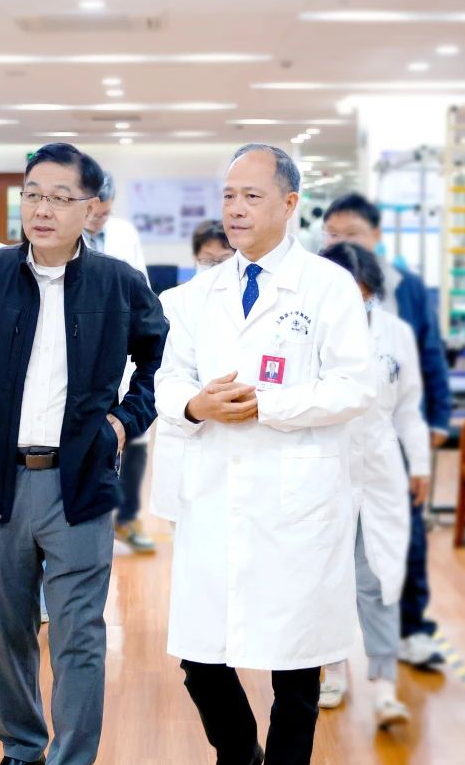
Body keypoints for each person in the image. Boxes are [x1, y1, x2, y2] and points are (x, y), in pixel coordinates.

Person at [0, 143, 166, 765]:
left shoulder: (118, 283)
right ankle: (22, 747)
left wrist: (121, 424)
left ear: (91, 209)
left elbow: (161, 362)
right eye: (32, 195)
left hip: (78, 482)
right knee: (6, 631)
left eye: (60, 197)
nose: (42, 209)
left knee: (80, 635)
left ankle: (72, 757)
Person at [155, 144, 374, 764]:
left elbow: (355, 385)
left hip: (296, 500)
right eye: (229, 196)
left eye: (252, 196)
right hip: (214, 492)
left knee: (296, 671)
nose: (236, 209)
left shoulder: (328, 287)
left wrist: (267, 405)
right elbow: (167, 379)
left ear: (289, 203)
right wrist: (196, 404)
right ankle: (239, 754)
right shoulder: (197, 294)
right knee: (200, 657)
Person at [322, 193, 452, 669]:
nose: (341, 241)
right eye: (333, 233)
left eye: (352, 233)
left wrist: (434, 429)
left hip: (385, 441)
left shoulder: (406, 292)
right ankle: (327, 660)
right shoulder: (315, 290)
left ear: (376, 236)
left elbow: (426, 362)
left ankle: (410, 633)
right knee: (329, 555)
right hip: (329, 446)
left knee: (402, 542)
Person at [316, 242, 431, 730]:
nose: (359, 304)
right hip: (324, 465)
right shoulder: (309, 329)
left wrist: (420, 463)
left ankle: (384, 687)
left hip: (381, 468)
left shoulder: (395, 333)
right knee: (325, 575)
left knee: (380, 575)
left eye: (366, 295)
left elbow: (409, 406)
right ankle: (331, 670)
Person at [83, 174, 155, 553]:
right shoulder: (62, 238)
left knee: (135, 437)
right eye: (93, 213)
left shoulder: (125, 234)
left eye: (105, 214)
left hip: (122, 350)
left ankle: (127, 520)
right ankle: (85, 524)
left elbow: (141, 288)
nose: (98, 220)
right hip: (82, 355)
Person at [148, 220, 235, 524]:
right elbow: (166, 371)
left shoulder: (248, 299)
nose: (213, 268)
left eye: (222, 260)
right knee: (184, 529)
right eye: (206, 260)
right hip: (184, 425)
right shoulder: (174, 300)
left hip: (232, 430)